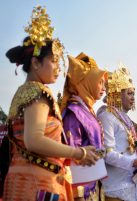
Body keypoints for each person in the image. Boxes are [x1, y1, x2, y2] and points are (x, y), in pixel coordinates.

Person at [3, 6, 98, 200]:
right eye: (54, 61)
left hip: (25, 180)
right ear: (36, 63)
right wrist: (78, 152)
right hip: (38, 185)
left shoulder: (25, 91)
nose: (58, 68)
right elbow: (34, 140)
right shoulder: (38, 92)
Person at [97, 66, 137, 201]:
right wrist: (136, 162)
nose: (133, 98)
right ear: (116, 93)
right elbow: (107, 154)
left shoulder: (124, 118)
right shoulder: (107, 116)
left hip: (131, 185)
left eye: (133, 93)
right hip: (115, 189)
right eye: (129, 93)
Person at [61, 52, 107, 200]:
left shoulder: (87, 110)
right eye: (100, 82)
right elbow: (72, 156)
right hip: (82, 191)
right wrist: (77, 194)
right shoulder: (74, 112)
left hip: (95, 185)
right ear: (86, 82)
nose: (104, 88)